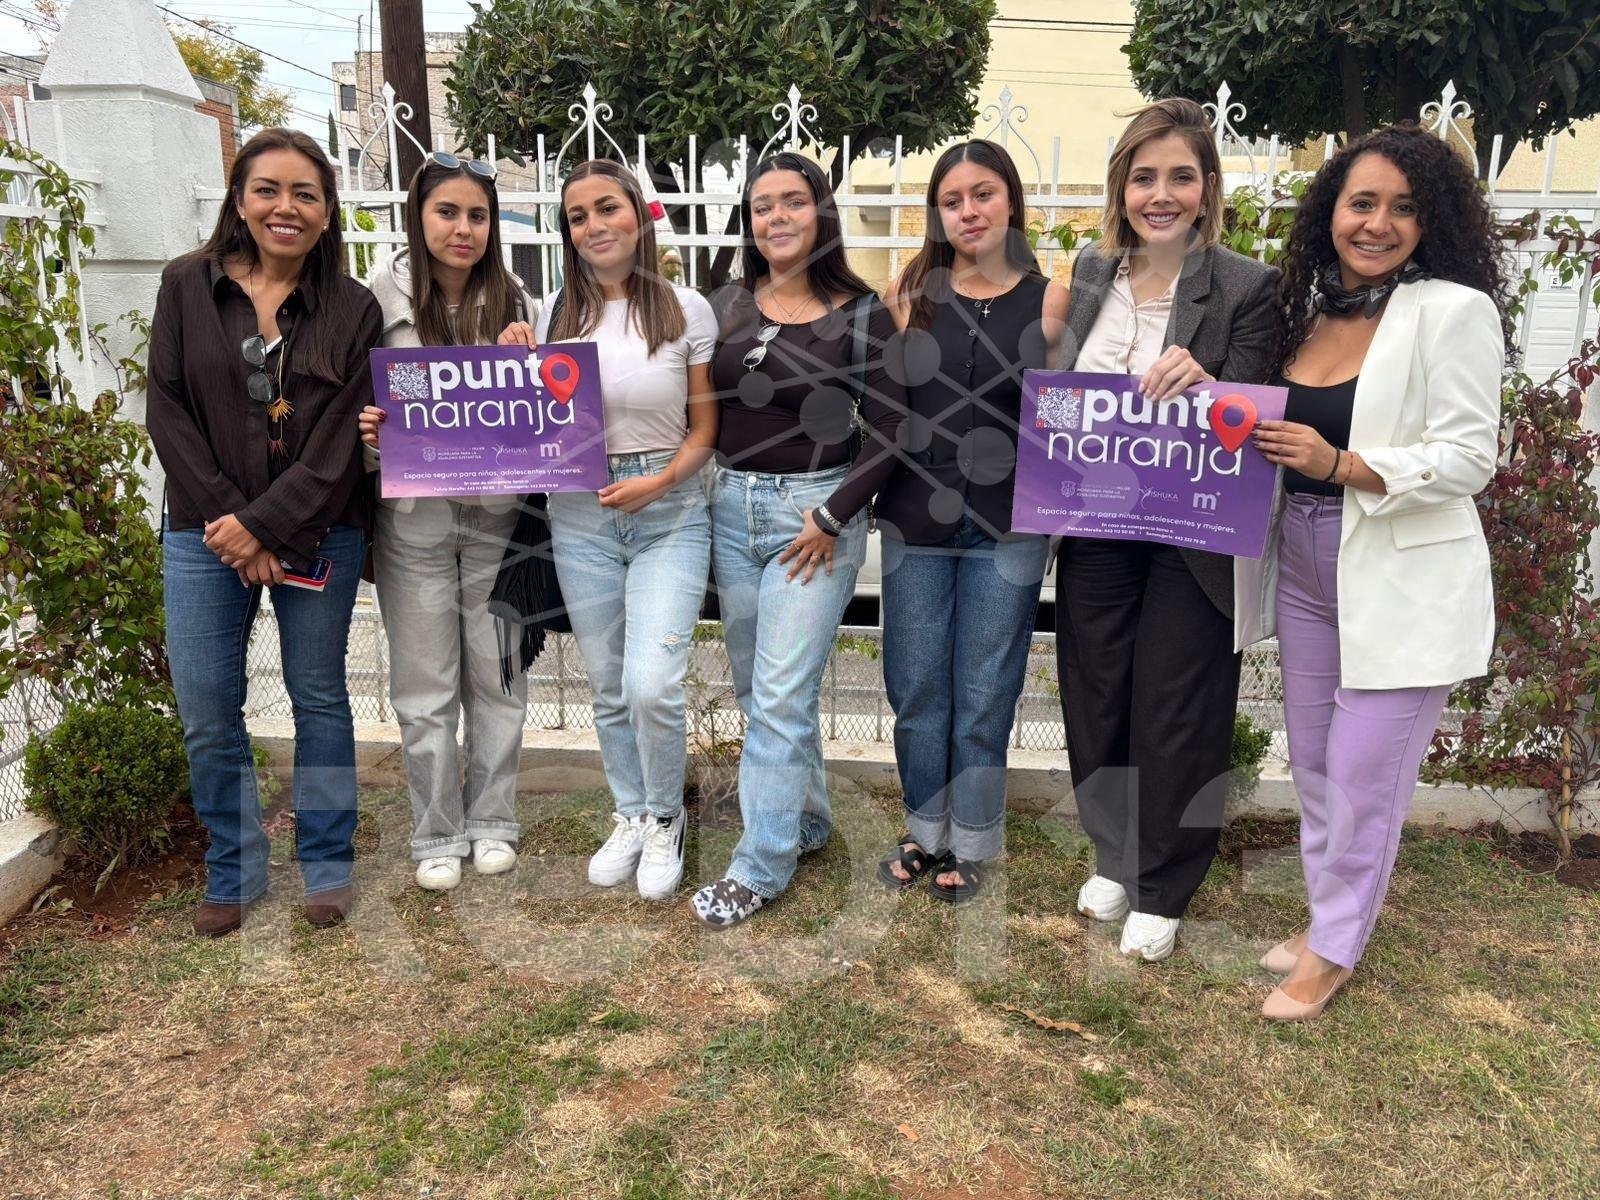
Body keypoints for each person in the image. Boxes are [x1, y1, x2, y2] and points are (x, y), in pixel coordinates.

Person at [1240, 126, 1507, 1020]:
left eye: (1403, 207)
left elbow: (1469, 458)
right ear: (1332, 210)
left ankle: (1335, 949)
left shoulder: (1451, 310)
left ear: (1431, 222)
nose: (1378, 223)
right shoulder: (1313, 310)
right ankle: (1330, 917)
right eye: (1362, 202)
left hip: (1398, 571)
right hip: (1306, 561)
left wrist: (1343, 464)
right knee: (1316, 762)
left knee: (1363, 774)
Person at [1053, 98, 1278, 961]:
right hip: (1096, 522)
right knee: (1097, 692)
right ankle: (1114, 853)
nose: (1161, 194)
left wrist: (1210, 384)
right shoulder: (1091, 270)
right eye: (1143, 177)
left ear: (1207, 188)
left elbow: (1251, 419)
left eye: (1180, 177)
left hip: (1191, 532)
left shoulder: (1247, 287)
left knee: (1177, 704)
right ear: (1122, 188)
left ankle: (1164, 883)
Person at [147, 128, 382, 936]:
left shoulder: (353, 307)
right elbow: (167, 409)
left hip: (320, 529)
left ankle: (328, 862)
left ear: (327, 211)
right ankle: (234, 867)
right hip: (204, 532)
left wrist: (269, 525)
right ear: (240, 201)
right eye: (268, 190)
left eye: (305, 194)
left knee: (319, 696)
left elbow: (342, 439)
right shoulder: (186, 285)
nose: (287, 207)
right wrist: (234, 525)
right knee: (208, 705)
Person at [691, 152, 907, 928]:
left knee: (780, 697)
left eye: (793, 201)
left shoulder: (862, 313)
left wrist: (833, 516)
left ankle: (760, 865)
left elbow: (894, 431)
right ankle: (806, 820)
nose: (776, 217)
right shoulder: (724, 303)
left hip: (813, 521)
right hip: (730, 508)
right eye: (762, 206)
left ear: (821, 213)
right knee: (763, 694)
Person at [499, 159, 719, 901]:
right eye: (577, 216)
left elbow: (705, 431)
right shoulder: (553, 312)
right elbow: (533, 425)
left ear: (639, 214)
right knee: (607, 683)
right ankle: (631, 813)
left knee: (651, 683)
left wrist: (660, 481)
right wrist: (514, 361)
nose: (594, 225)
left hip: (669, 511)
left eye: (607, 208)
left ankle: (667, 816)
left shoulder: (686, 309)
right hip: (578, 513)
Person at [874, 140, 1067, 903]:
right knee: (917, 687)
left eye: (983, 194)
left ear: (1010, 200)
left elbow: (1066, 417)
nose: (969, 211)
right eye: (951, 201)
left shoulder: (1051, 301)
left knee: (986, 691)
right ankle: (925, 832)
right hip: (914, 525)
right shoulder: (908, 294)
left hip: (1008, 526)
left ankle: (975, 838)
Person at [356, 152, 536, 892]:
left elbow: (546, 421)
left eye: (478, 216)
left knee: (498, 681)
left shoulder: (517, 301)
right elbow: (353, 402)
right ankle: (437, 832)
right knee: (424, 687)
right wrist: (368, 433)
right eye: (447, 212)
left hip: (498, 519)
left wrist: (531, 367)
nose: (463, 229)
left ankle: (493, 821)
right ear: (418, 216)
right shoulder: (376, 297)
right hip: (414, 523)